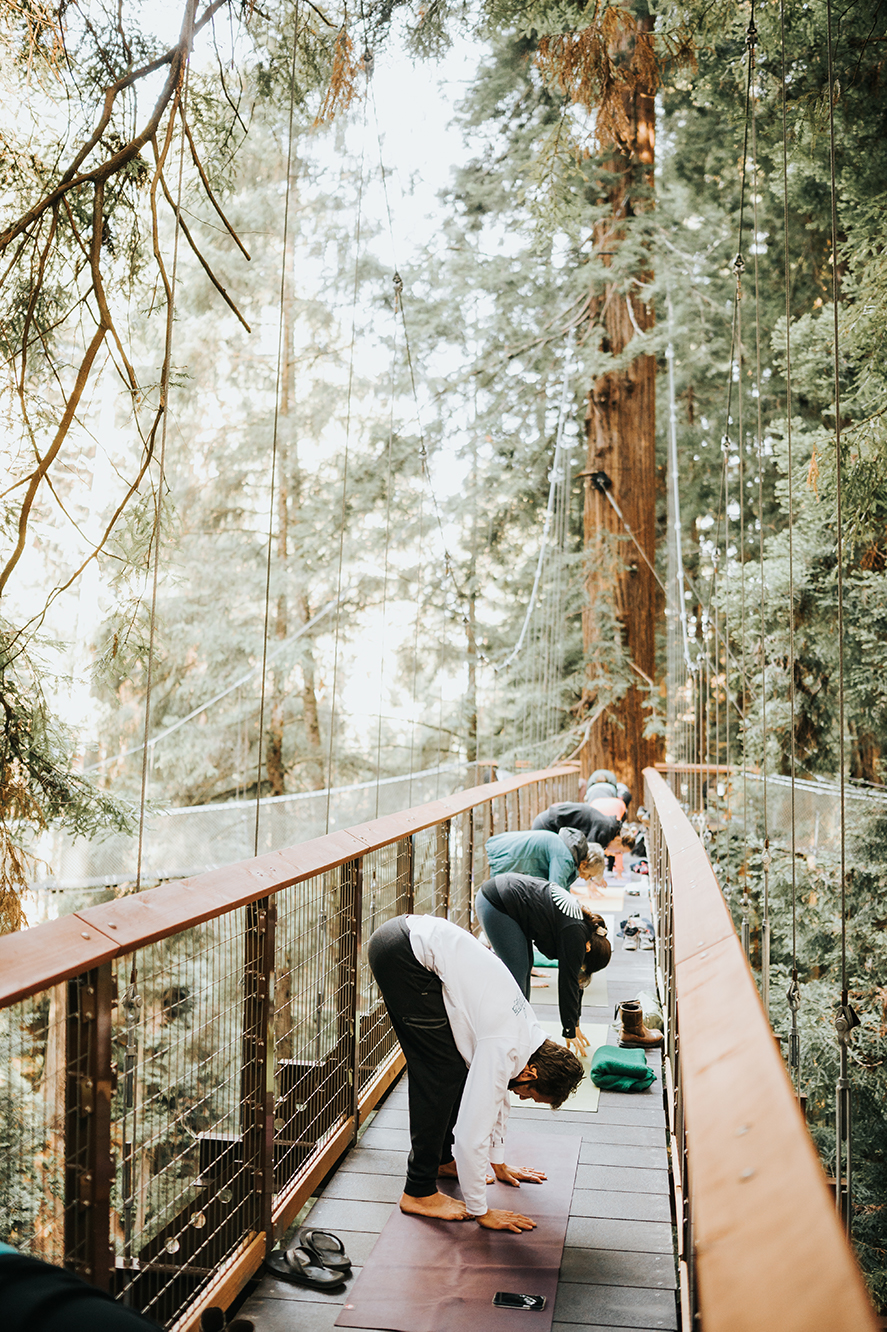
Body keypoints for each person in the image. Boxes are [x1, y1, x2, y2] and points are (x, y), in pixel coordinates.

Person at [367, 914, 584, 1233]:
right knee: (439, 1072)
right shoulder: (504, 1046)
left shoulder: (529, 1040)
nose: (521, 1096)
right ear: (531, 1073)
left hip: (410, 941)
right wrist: (481, 1210)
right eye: (531, 1095)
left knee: (453, 1067)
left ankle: (440, 1161)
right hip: (403, 952)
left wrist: (498, 1160)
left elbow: (499, 1099)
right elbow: (470, 1135)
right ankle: (418, 1191)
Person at [475, 873, 611, 1057]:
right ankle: (504, 1039)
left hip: (506, 900)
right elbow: (568, 982)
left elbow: (575, 985)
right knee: (517, 973)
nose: (581, 968)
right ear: (588, 949)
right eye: (585, 966)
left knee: (523, 970)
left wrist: (575, 1022)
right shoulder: (575, 934)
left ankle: (521, 1031)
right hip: (497, 902)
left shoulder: (584, 929)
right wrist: (569, 1030)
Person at [485, 827, 594, 890]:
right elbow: (556, 892)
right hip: (501, 858)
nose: (587, 879)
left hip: (500, 849)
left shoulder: (563, 848)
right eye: (590, 875)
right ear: (584, 864)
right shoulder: (564, 857)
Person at [532, 801, 635, 857]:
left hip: (547, 820)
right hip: (547, 824)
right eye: (619, 851)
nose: (616, 854)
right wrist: (593, 883)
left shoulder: (609, 826)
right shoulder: (604, 831)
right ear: (618, 840)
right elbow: (588, 858)